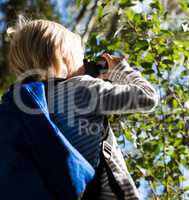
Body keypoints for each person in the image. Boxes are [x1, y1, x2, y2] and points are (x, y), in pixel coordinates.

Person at [2, 16, 158, 199]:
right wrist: (119, 69)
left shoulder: (28, 106)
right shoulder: (81, 88)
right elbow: (147, 97)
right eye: (81, 57)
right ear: (64, 56)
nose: (85, 63)